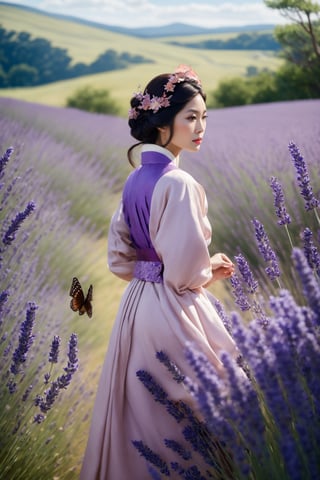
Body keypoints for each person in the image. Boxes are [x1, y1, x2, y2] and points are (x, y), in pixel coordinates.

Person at [80, 65, 237, 480]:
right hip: (172, 307)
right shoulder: (179, 182)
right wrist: (210, 267)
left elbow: (119, 260)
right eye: (191, 117)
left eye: (205, 117)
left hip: (137, 309)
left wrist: (159, 268)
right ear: (163, 123)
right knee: (202, 405)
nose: (200, 126)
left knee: (143, 411)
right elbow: (184, 272)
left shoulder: (135, 180)